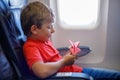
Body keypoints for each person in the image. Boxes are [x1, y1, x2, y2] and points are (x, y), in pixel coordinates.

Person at [20, 1, 120, 80]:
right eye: (49, 27)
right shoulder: (30, 47)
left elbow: (53, 61)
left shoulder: (44, 42)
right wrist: (64, 61)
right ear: (34, 29)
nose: (53, 30)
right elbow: (41, 71)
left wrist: (67, 56)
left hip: (77, 71)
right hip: (75, 75)